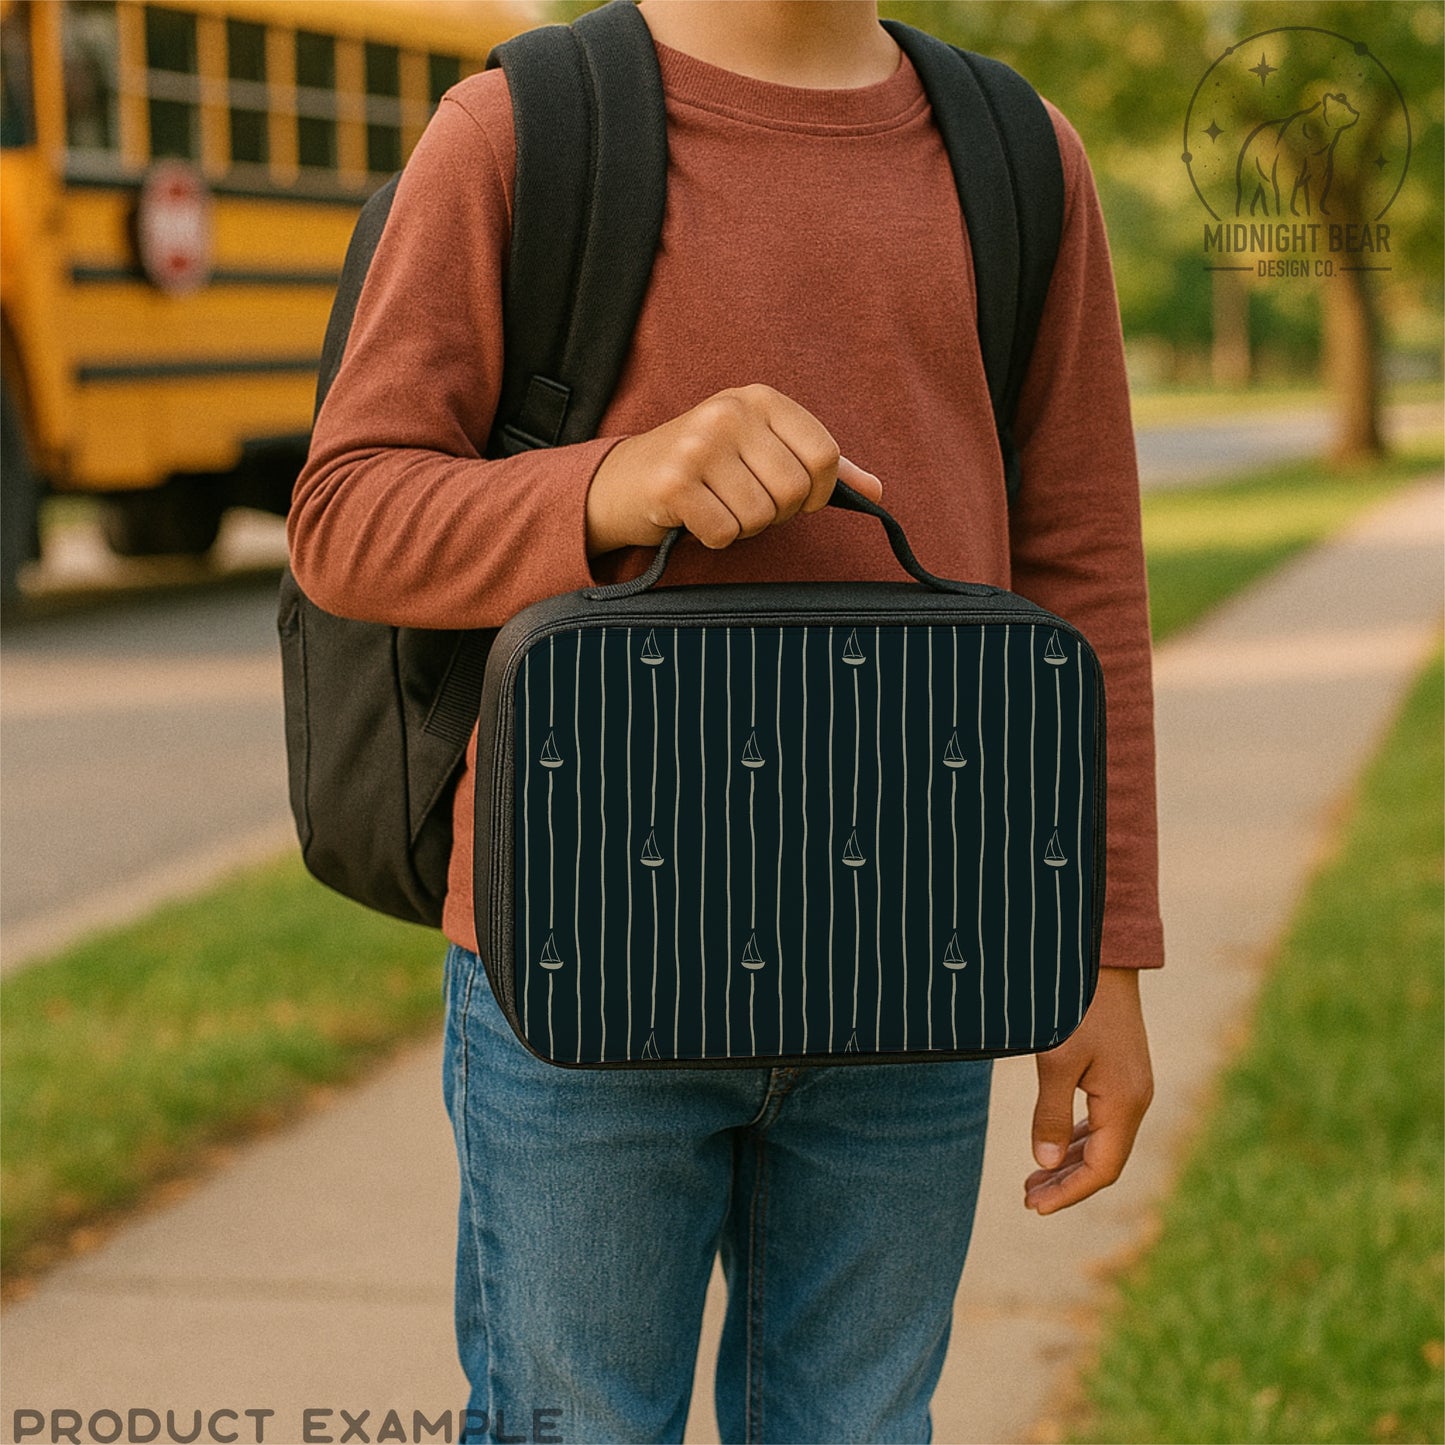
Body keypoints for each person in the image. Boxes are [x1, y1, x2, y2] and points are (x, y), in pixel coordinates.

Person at [288, 1, 1162, 1440]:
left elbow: (1082, 579)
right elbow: (344, 516)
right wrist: (609, 481)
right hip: (584, 978)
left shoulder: (1018, 155)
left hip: (919, 957)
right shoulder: (517, 134)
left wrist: (1107, 946)